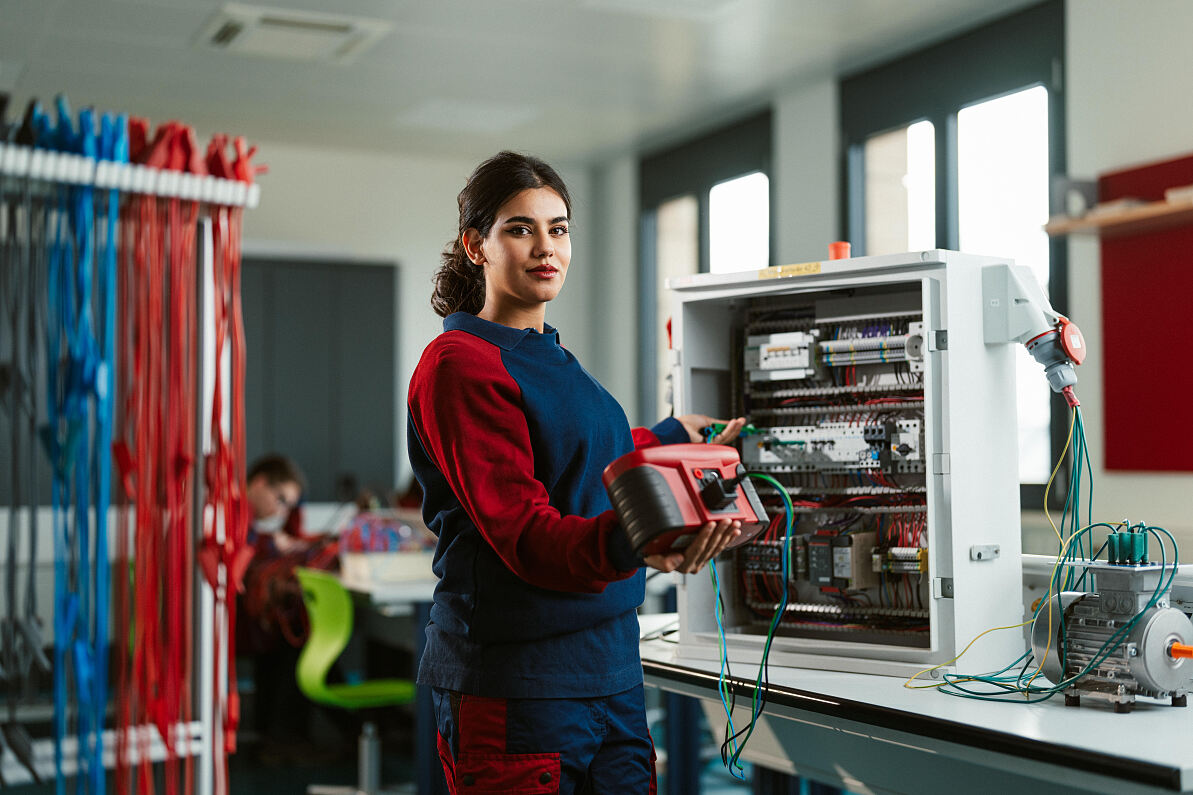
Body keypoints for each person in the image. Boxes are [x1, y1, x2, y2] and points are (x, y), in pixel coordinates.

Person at [407, 151, 746, 793]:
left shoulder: (551, 354)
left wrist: (673, 437)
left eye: (558, 228)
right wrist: (638, 538)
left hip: (610, 671)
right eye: (520, 228)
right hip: (519, 686)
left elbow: (586, 453)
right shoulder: (459, 364)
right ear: (475, 246)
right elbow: (528, 533)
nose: (546, 248)